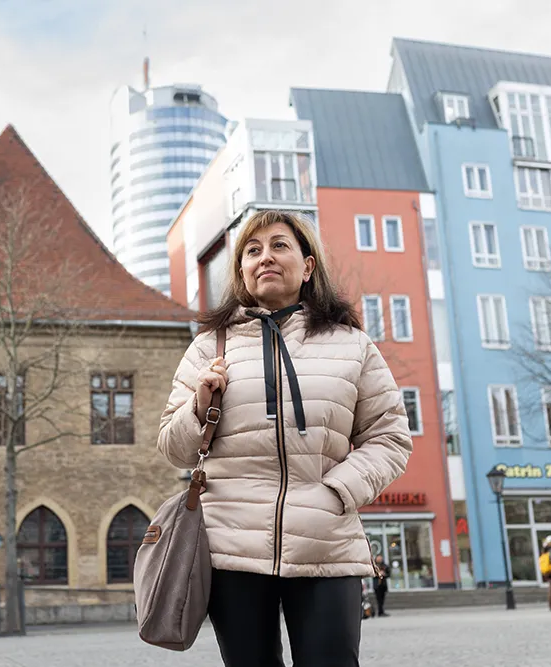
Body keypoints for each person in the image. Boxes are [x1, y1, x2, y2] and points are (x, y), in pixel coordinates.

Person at [157, 210, 413, 667]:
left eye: (279, 245)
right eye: (252, 251)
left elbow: (389, 437)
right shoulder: (208, 347)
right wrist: (199, 405)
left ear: (308, 266)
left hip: (327, 543)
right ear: (241, 272)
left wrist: (337, 492)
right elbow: (173, 447)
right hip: (231, 549)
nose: (265, 257)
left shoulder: (351, 344)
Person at [373, 553, 391, 617]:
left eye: (380, 558)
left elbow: (389, 574)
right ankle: (380, 612)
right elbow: (372, 575)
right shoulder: (374, 566)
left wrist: (384, 574)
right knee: (378, 599)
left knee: (382, 599)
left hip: (383, 585)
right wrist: (378, 574)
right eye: (378, 558)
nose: (379, 559)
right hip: (377, 585)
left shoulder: (385, 566)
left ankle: (381, 611)